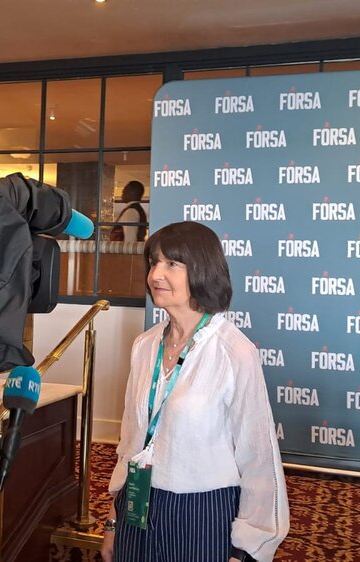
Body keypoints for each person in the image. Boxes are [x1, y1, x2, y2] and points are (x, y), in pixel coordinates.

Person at [101, 221, 289, 562]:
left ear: (202, 269)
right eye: (154, 262)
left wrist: (248, 547)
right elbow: (131, 438)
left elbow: (258, 457)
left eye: (172, 264)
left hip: (201, 513)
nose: (156, 274)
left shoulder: (234, 352)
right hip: (137, 502)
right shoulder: (145, 345)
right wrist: (113, 519)